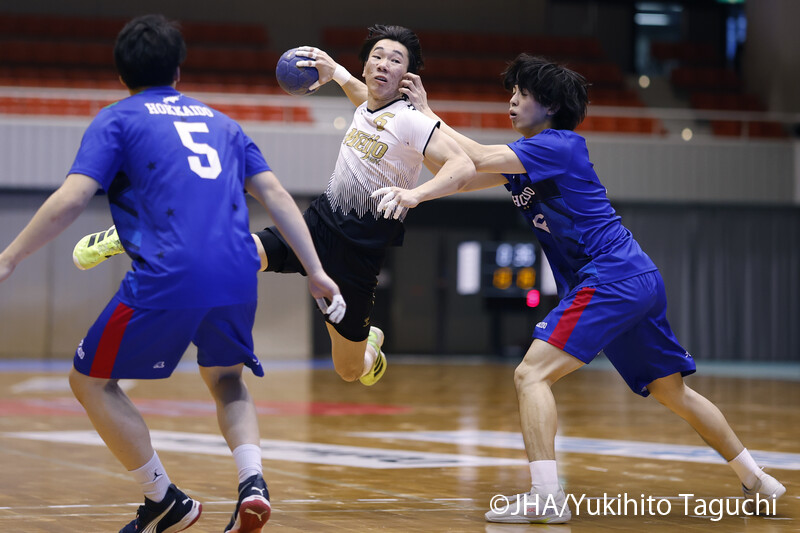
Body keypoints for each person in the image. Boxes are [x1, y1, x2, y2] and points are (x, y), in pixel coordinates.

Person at [371, 54, 786, 523]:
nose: (511, 101)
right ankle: (756, 478)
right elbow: (461, 174)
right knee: (673, 392)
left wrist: (426, 116)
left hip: (609, 276)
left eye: (521, 94)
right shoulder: (528, 157)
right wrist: (413, 141)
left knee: (531, 375)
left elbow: (477, 157)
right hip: (636, 277)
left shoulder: (558, 145)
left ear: (549, 105)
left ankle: (547, 496)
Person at [0, 14, 344, 533]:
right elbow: (276, 194)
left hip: (170, 271)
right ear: (179, 71)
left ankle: (163, 499)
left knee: (89, 381)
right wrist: (315, 269)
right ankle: (252, 482)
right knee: (226, 378)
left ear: (122, 74)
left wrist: (9, 257)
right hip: (237, 268)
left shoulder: (118, 119)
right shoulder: (224, 124)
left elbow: (71, 199)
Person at [73, 24, 476, 388]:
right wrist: (336, 71)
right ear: (366, 65)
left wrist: (416, 194)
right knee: (221, 256)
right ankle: (135, 235)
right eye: (377, 56)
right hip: (315, 227)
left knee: (349, 370)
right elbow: (362, 97)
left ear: (407, 76)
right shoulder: (367, 106)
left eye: (395, 60)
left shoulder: (412, 120)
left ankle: (371, 344)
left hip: (358, 257)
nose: (384, 64)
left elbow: (462, 165)